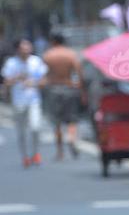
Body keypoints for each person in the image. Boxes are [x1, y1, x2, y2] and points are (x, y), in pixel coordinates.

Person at [2, 39, 48, 167]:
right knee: (21, 131)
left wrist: (34, 83)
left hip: (34, 100)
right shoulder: (11, 63)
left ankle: (36, 152)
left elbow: (44, 80)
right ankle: (25, 156)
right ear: (18, 49)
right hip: (18, 101)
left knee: (35, 127)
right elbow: (6, 82)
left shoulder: (36, 61)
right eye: (23, 47)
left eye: (28, 46)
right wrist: (17, 78)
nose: (26, 49)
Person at [42, 32, 83, 160]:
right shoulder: (71, 54)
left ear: (53, 41)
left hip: (54, 89)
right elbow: (78, 71)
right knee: (72, 119)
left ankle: (60, 151)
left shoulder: (48, 55)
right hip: (69, 87)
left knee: (57, 122)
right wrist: (81, 88)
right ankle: (71, 138)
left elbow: (44, 74)